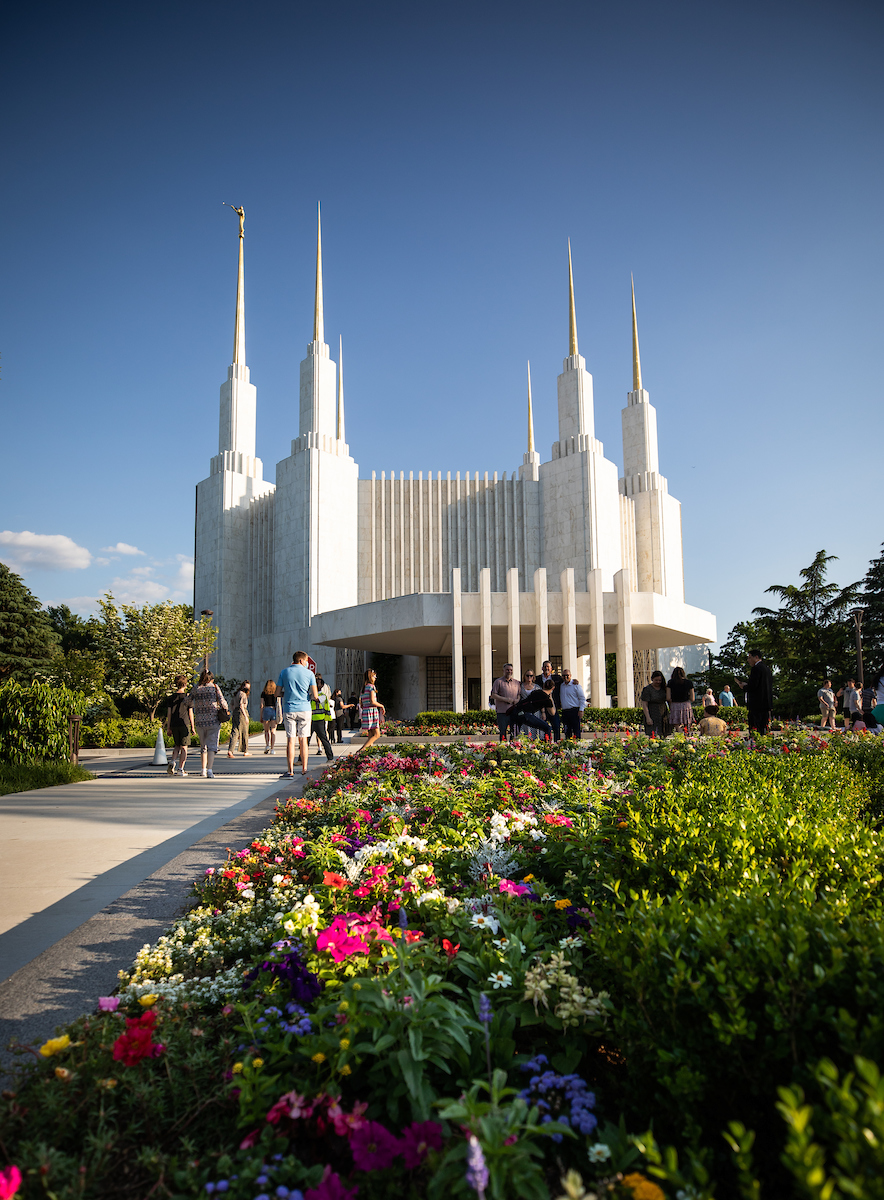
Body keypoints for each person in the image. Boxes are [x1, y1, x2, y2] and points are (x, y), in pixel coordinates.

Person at [276, 651, 320, 778]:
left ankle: (290, 770)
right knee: (303, 740)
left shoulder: (284, 672)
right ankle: (304, 769)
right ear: (301, 661)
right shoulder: (310, 674)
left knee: (291, 740)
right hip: (305, 709)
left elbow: (277, 693)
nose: (307, 663)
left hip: (289, 708)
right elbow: (315, 695)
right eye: (306, 661)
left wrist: (288, 694)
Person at [189, 669, 229, 780]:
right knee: (212, 746)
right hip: (213, 720)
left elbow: (188, 701)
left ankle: (202, 769)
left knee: (203, 746)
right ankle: (210, 770)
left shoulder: (196, 688)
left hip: (200, 721)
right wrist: (225, 709)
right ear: (211, 678)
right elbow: (223, 702)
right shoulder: (214, 687)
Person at [162, 674, 195, 776]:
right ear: (185, 684)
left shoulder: (171, 698)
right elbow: (190, 713)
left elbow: (169, 713)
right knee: (184, 747)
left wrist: (168, 727)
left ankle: (172, 761)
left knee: (177, 745)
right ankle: (181, 768)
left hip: (174, 724)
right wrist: (193, 727)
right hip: (184, 723)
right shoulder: (187, 697)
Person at [735, 650, 773, 735]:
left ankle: (755, 744)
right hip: (766, 702)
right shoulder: (767, 669)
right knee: (764, 727)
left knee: (755, 728)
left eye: (749, 657)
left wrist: (744, 686)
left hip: (757, 704)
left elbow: (753, 686)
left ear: (756, 657)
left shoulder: (756, 668)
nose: (748, 660)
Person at [489, 662, 522, 742]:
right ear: (503, 670)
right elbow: (494, 695)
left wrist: (517, 700)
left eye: (511, 670)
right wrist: (506, 699)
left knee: (514, 732)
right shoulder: (498, 682)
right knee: (503, 732)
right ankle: (503, 749)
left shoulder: (517, 682)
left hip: (514, 711)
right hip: (502, 712)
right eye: (507, 670)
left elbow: (519, 694)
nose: (509, 671)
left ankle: (514, 748)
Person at [358, 668, 385, 753]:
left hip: (366, 711)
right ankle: (362, 750)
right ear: (370, 677)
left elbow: (361, 703)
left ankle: (368, 753)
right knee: (377, 734)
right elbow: (373, 701)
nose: (375, 678)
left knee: (370, 736)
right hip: (372, 711)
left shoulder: (363, 688)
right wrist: (382, 706)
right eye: (374, 676)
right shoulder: (371, 687)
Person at [539, 661, 564, 741]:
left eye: (548, 667)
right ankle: (544, 744)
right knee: (543, 727)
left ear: (551, 669)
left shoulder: (557, 678)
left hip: (553, 706)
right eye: (545, 666)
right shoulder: (537, 679)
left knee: (556, 726)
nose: (546, 668)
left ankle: (557, 744)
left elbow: (566, 682)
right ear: (542, 668)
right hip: (541, 707)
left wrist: (574, 682)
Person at [309, 686, 335, 762]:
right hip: (311, 720)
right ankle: (301, 759)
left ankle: (330, 757)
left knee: (323, 739)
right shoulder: (311, 696)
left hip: (319, 720)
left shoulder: (322, 696)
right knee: (306, 740)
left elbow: (317, 699)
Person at [558, 668, 586, 739]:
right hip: (565, 712)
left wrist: (581, 710)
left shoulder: (576, 685)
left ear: (570, 675)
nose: (566, 677)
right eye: (564, 675)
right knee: (567, 732)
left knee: (576, 731)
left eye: (567, 675)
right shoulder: (561, 686)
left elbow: (582, 698)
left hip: (574, 711)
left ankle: (578, 747)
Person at [640, 670, 668, 738]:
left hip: (663, 713)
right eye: (656, 680)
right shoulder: (647, 689)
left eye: (659, 680)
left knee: (663, 734)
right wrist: (648, 718)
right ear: (652, 679)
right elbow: (644, 704)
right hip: (652, 713)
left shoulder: (664, 688)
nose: (658, 682)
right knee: (652, 735)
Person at [666, 667, 695, 731]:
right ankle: (687, 735)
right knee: (687, 723)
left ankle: (679, 733)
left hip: (675, 705)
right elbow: (692, 698)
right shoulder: (689, 682)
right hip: (686, 704)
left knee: (676, 724)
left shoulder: (670, 682)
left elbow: (668, 697)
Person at [228, 680, 252, 757]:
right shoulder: (243, 695)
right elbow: (242, 705)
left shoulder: (236, 694)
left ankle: (230, 750)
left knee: (234, 732)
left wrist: (234, 711)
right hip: (241, 713)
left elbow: (231, 704)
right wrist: (245, 716)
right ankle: (245, 750)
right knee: (244, 732)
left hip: (235, 712)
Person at [260, 679, 281, 755]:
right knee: (273, 730)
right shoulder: (276, 694)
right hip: (274, 710)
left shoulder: (263, 693)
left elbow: (262, 705)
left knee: (266, 730)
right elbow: (279, 704)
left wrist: (261, 716)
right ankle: (272, 748)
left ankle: (267, 745)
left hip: (266, 710)